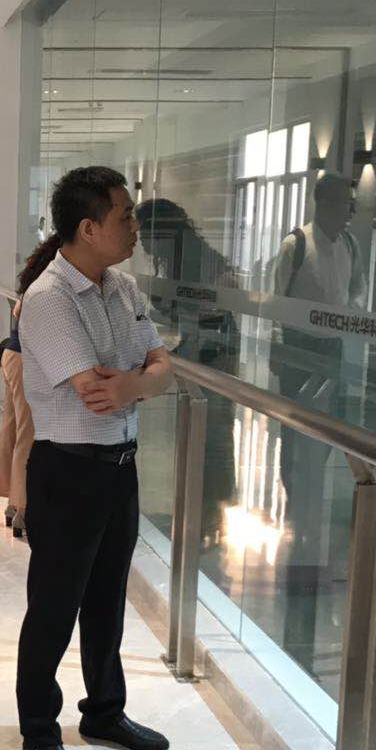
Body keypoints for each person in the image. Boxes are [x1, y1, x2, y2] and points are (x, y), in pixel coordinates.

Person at [15, 165, 173, 750]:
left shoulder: (123, 288)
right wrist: (140, 381)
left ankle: (104, 712)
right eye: (125, 216)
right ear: (88, 227)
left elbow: (163, 367)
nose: (136, 226)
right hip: (68, 471)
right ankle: (39, 732)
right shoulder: (50, 299)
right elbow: (95, 393)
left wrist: (139, 381)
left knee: (107, 602)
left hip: (119, 468)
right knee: (54, 608)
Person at [268, 172, 363, 669]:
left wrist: (348, 322)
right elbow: (277, 300)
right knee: (295, 427)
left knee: (325, 430)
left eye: (351, 203)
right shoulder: (296, 244)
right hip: (299, 348)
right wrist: (279, 348)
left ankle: (311, 492)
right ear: (322, 202)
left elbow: (355, 294)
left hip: (332, 349)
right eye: (343, 202)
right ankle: (295, 495)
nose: (349, 211)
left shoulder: (350, 245)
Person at [134, 197, 239, 546]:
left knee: (211, 436)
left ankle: (208, 516)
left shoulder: (195, 260)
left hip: (213, 354)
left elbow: (206, 308)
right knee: (202, 434)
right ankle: (201, 514)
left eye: (145, 235)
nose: (143, 244)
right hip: (203, 350)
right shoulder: (181, 258)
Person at [0, 243, 58, 539]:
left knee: (13, 428)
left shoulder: (35, 279)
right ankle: (23, 508)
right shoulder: (49, 284)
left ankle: (12, 501)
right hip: (25, 361)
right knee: (28, 434)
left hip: (13, 355)